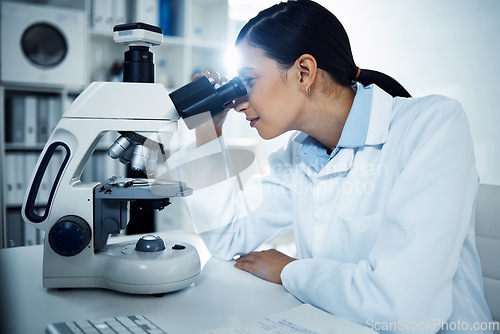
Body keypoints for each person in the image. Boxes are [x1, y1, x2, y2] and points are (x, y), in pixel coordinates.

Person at [168, 0, 493, 332]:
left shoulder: (432, 125)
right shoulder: (298, 155)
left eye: (248, 81)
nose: (237, 103)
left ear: (304, 72)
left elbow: (401, 307)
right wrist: (208, 129)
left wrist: (289, 270)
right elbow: (226, 239)